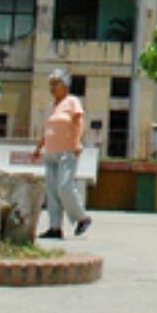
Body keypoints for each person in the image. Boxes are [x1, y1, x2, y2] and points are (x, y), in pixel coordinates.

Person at [31, 68, 93, 239]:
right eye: (50, 85)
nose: (51, 88)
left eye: (55, 84)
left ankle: (82, 217)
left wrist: (77, 142)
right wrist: (38, 148)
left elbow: (79, 123)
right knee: (51, 190)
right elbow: (47, 129)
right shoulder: (51, 107)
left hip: (67, 151)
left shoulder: (72, 101)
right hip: (50, 152)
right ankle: (55, 227)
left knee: (65, 186)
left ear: (64, 85)